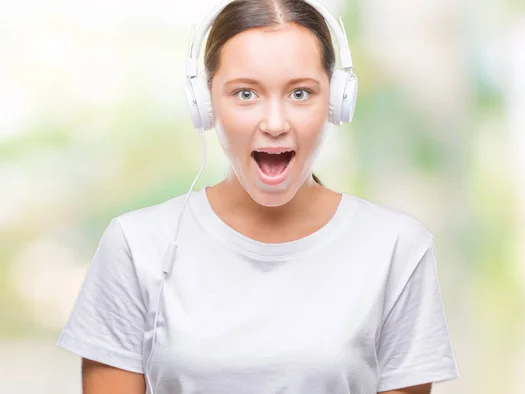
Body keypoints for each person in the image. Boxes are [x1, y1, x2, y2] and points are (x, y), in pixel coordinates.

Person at [56, 0, 460, 393]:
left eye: (300, 93)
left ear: (337, 101)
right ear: (205, 103)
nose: (274, 123)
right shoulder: (136, 244)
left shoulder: (397, 248)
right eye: (245, 94)